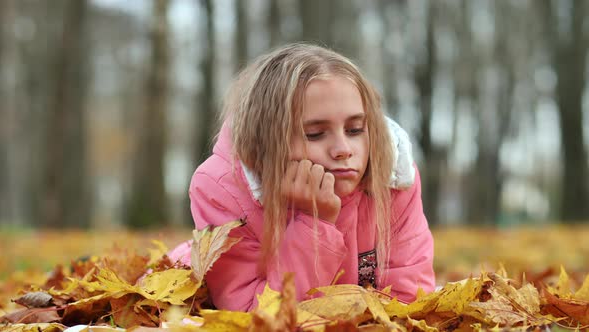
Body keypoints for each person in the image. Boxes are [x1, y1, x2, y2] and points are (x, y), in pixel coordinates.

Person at [168, 43, 435, 311]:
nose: (343, 150)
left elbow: (409, 301)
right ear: (268, 139)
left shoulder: (394, 178)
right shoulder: (222, 188)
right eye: (315, 134)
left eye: (355, 130)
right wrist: (314, 223)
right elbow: (254, 315)